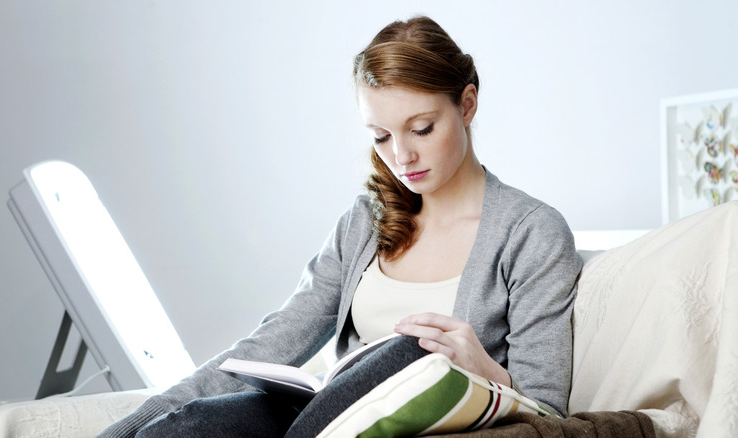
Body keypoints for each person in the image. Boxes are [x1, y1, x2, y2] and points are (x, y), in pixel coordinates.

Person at [100, 15, 582, 438]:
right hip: (327, 417)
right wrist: (140, 420)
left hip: (423, 423)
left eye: (422, 128)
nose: (401, 156)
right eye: (381, 136)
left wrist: (483, 369)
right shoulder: (364, 221)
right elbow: (274, 342)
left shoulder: (531, 232)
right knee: (194, 426)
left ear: (467, 105)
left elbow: (549, 411)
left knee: (416, 351)